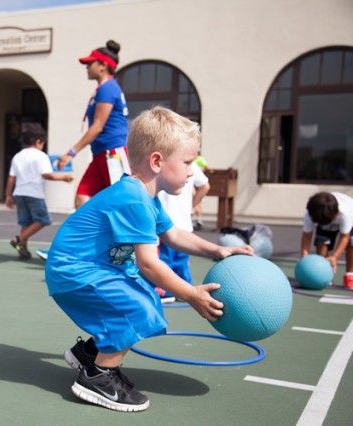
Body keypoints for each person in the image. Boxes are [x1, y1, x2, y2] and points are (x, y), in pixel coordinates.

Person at [45, 106, 253, 412]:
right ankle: (98, 377)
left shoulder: (145, 197)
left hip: (92, 267)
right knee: (138, 309)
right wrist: (190, 293)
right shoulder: (133, 199)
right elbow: (149, 263)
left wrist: (218, 251)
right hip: (75, 271)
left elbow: (174, 235)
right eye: (187, 162)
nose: (192, 171)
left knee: (146, 299)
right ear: (157, 161)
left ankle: (89, 354)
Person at [56, 40, 130, 209]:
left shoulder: (108, 88)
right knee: (82, 196)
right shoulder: (104, 88)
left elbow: (97, 126)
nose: (87, 67)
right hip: (101, 153)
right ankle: (95, 235)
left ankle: (147, 234)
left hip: (113, 153)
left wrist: (71, 153)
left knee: (120, 204)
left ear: (103, 65)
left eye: (90, 63)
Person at [5, 129, 73, 260]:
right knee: (43, 220)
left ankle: (22, 249)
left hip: (19, 192)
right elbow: (46, 174)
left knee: (25, 222)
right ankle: (19, 239)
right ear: (38, 141)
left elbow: (11, 177)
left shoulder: (17, 156)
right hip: (34, 192)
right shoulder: (41, 156)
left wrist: (8, 195)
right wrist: (63, 177)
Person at [157, 161, 210, 296]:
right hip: (181, 224)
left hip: (166, 226)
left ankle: (166, 290)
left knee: (165, 261)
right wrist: (190, 206)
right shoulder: (190, 163)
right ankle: (186, 290)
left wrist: (191, 205)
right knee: (180, 261)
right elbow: (205, 186)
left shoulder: (164, 162)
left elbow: (205, 186)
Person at [300, 191, 353, 288]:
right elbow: (307, 235)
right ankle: (325, 274)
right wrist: (304, 257)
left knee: (351, 243)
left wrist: (335, 257)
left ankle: (350, 275)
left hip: (351, 223)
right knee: (321, 243)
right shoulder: (311, 212)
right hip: (325, 218)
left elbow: (344, 237)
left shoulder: (346, 214)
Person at [192, 153, 209, 230]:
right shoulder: (200, 160)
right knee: (198, 203)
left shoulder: (195, 161)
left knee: (197, 203)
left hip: (196, 185)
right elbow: (206, 167)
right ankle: (198, 219)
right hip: (196, 185)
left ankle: (198, 219)